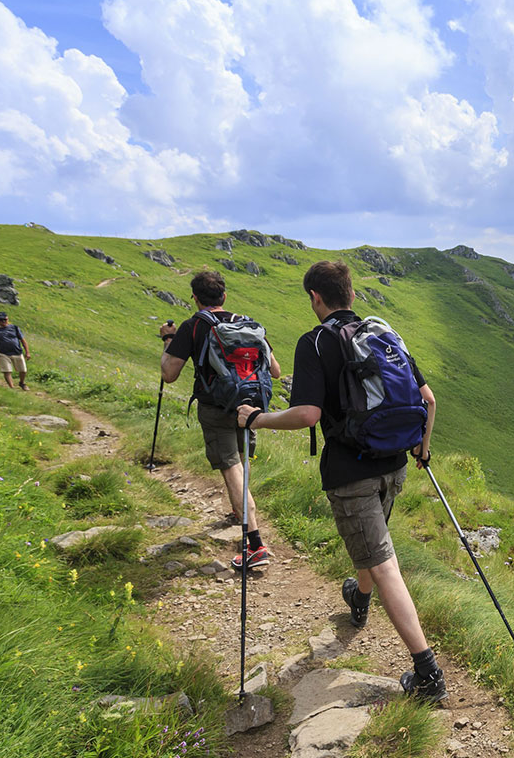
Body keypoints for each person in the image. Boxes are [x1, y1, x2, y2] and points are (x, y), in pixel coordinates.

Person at [233, 260, 445, 702]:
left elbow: (308, 414)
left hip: (351, 473)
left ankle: (428, 674)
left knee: (383, 562)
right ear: (349, 292)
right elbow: (428, 400)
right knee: (373, 546)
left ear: (315, 297)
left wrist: (258, 419)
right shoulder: (382, 333)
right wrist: (422, 449)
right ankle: (360, 599)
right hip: (395, 464)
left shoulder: (315, 343)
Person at [161, 271, 281, 570]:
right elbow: (276, 370)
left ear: (196, 298)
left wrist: (168, 339)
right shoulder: (247, 322)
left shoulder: (193, 326)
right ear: (224, 296)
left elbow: (168, 373)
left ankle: (255, 544)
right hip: (251, 407)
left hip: (216, 407)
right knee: (240, 464)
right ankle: (238, 512)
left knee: (232, 470)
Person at [0, 311, 31, 389]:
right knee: (7, 371)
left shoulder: (14, 328)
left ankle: (22, 383)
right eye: (1, 320)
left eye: (5, 319)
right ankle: (12, 387)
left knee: (23, 370)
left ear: (7, 319)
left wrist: (27, 352)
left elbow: (22, 340)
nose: (3, 321)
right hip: (3, 353)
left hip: (17, 352)